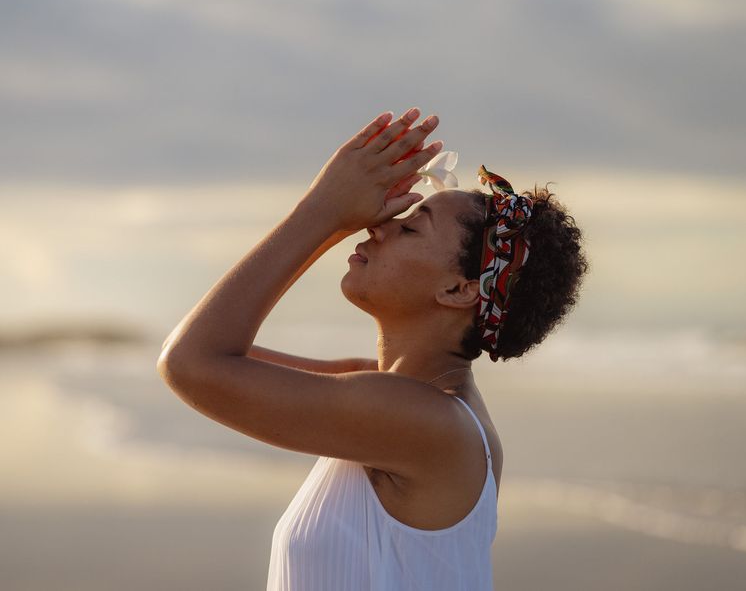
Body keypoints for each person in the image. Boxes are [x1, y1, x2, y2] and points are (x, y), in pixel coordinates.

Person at [157, 107, 589, 590]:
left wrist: (324, 211)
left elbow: (191, 361)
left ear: (460, 290)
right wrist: (335, 219)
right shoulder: (400, 398)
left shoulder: (423, 421)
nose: (377, 227)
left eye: (408, 228)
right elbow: (205, 345)